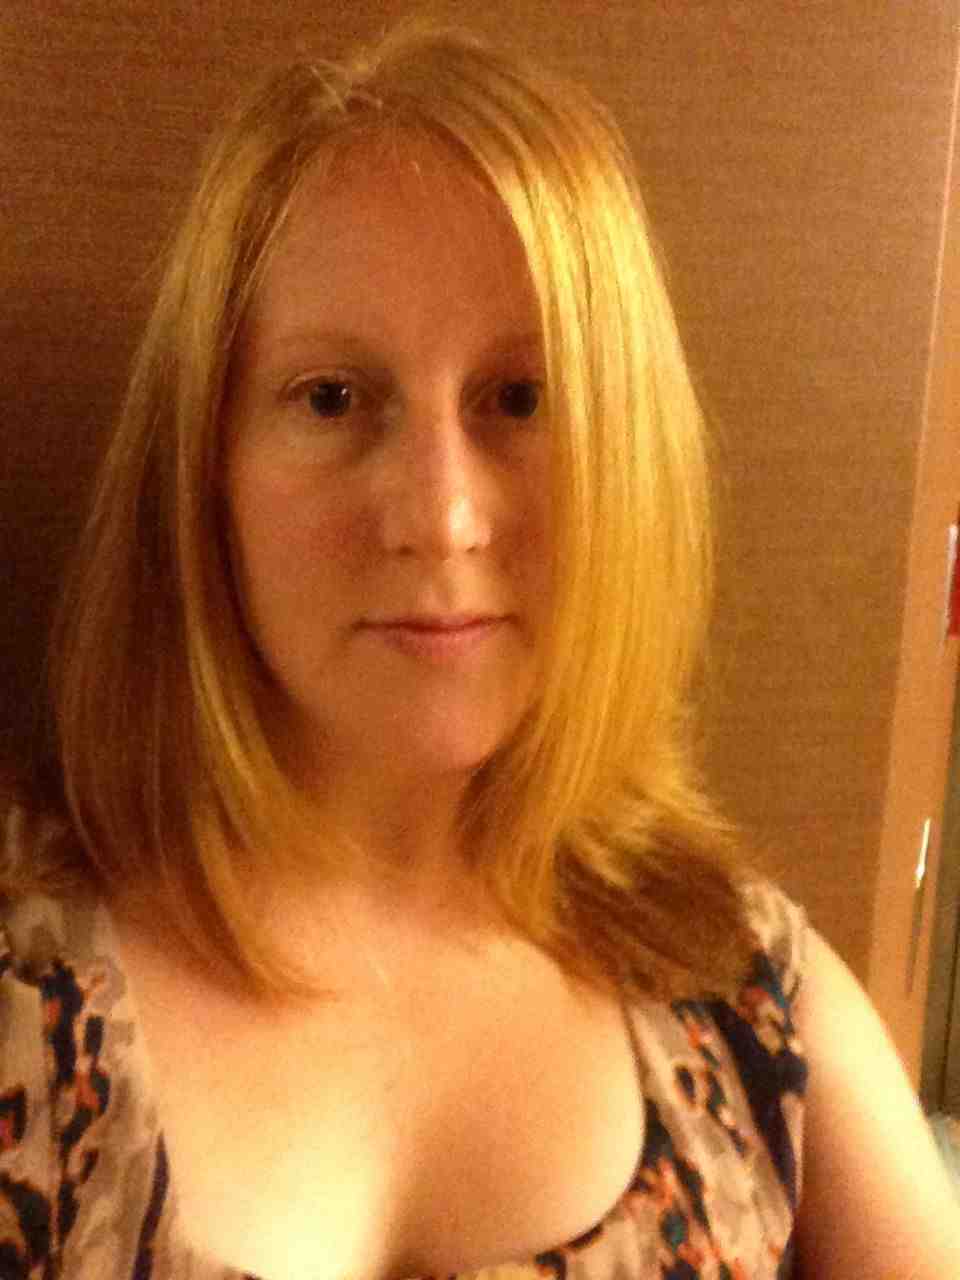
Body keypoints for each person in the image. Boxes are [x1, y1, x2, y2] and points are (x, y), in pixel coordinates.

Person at [1, 16, 957, 1280]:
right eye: (333, 398)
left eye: (521, 398)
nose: (441, 516)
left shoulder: (753, 999)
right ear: (204, 467)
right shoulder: (25, 982)